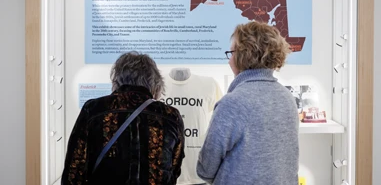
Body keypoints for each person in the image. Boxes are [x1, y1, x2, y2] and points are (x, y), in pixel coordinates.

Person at [197, 21, 299, 185]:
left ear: (243, 55)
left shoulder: (232, 103)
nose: (229, 60)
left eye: (231, 53)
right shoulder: (287, 98)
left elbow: (206, 169)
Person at [62, 51, 185, 185]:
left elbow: (74, 169)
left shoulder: (94, 109)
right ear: (156, 83)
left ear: (116, 79)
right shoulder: (170, 116)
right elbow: (174, 169)